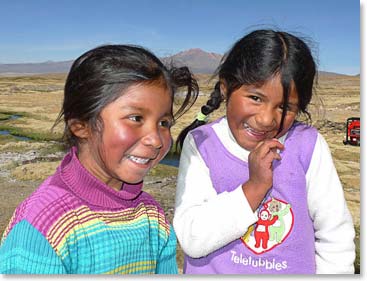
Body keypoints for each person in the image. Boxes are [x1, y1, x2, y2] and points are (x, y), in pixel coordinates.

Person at [0, 44, 199, 274]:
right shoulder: (43, 226)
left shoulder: (153, 217)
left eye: (164, 123)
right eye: (135, 118)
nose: (156, 140)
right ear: (81, 126)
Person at [173, 29, 355, 274]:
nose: (266, 119)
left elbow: (335, 237)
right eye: (256, 98)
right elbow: (192, 238)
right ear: (226, 88)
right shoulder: (202, 143)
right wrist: (254, 187)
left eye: (285, 107)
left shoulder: (309, 146)